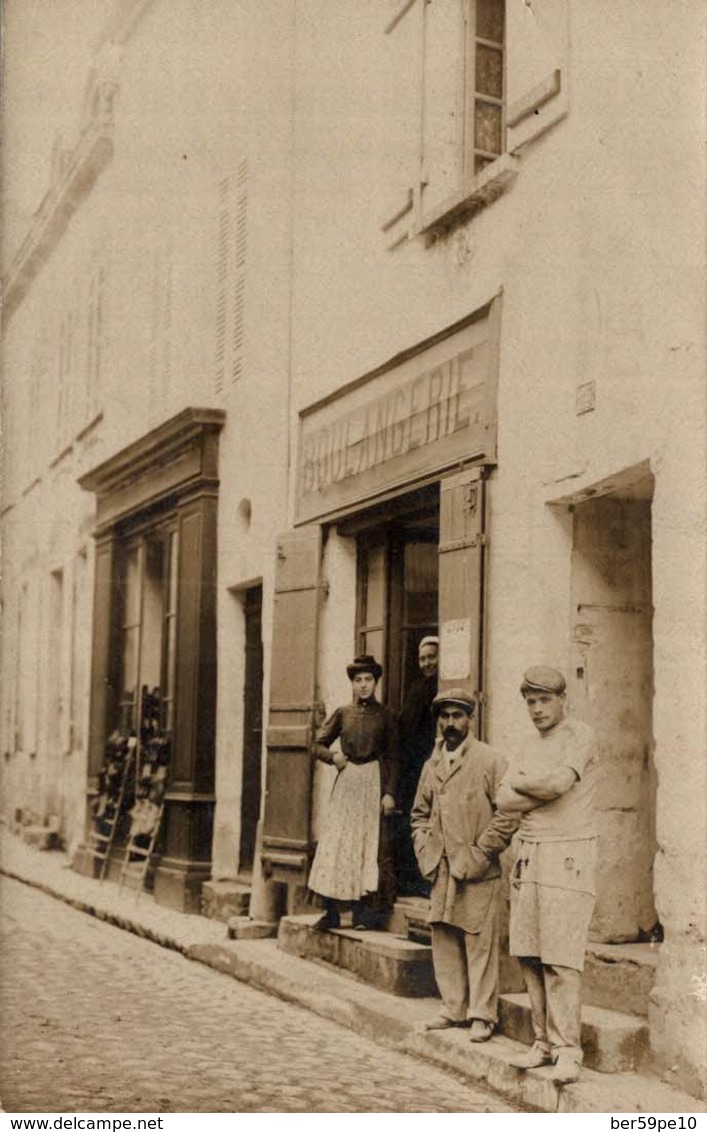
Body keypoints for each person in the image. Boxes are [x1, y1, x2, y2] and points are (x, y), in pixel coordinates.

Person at [496, 666, 599, 1085]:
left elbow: (559, 784)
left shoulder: (580, 736)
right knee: (530, 952)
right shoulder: (524, 744)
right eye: (530, 702)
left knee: (561, 955)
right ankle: (542, 1042)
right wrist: (529, 788)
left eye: (544, 701)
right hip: (529, 855)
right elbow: (503, 798)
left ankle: (568, 1049)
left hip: (568, 852)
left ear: (562, 700)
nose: (536, 710)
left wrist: (525, 785)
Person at [411, 688, 518, 1041]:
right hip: (441, 865)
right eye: (445, 717)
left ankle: (482, 1014)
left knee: (478, 938)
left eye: (458, 716)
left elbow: (509, 812)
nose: (450, 723)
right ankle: (453, 1007)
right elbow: (419, 815)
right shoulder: (432, 764)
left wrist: (481, 852)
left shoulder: (490, 761)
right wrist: (425, 849)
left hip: (476, 866)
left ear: (470, 719)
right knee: (443, 935)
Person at [308, 654, 400, 932]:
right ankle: (331, 912)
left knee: (365, 846)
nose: (363, 685)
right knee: (337, 845)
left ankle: (363, 915)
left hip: (373, 782)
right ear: (352, 683)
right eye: (358, 680)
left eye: (368, 680)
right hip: (347, 782)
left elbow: (395, 758)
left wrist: (390, 793)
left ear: (376, 682)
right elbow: (317, 745)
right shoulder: (343, 714)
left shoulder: (386, 716)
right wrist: (333, 757)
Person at [397, 635, 439, 896]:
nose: (426, 663)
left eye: (431, 657)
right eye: (422, 659)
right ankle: (413, 880)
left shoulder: (441, 687)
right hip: (414, 764)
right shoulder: (416, 688)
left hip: (433, 760)